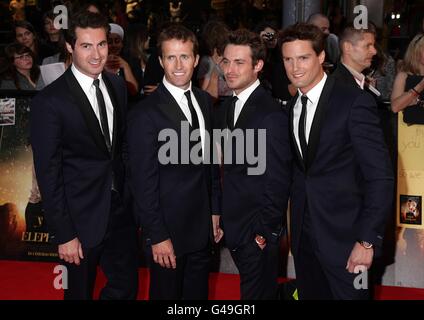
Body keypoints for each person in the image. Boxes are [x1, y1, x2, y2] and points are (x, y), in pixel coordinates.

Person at [279, 23, 394, 299]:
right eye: (288, 59)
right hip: (305, 241)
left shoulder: (353, 102)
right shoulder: (295, 104)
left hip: (347, 241)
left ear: (321, 57)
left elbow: (380, 177)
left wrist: (367, 241)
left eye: (303, 58)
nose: (295, 67)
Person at [30, 11, 138, 300]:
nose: (96, 54)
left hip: (119, 211)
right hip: (78, 219)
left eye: (101, 45)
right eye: (86, 46)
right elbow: (48, 173)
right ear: (69, 47)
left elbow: (120, 147)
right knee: (77, 294)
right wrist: (64, 233)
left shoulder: (117, 85)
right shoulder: (49, 102)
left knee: (126, 287)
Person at [127, 24, 215, 300]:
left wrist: (215, 212)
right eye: (171, 57)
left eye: (185, 57)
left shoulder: (204, 101)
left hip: (202, 229)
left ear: (196, 60)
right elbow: (143, 181)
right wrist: (157, 235)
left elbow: (209, 164)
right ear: (161, 61)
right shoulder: (145, 113)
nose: (178, 65)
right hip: (167, 232)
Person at [214, 29, 292, 300]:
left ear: (258, 65)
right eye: (226, 61)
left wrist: (264, 232)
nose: (230, 70)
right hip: (234, 227)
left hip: (256, 232)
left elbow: (278, 179)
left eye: (239, 63)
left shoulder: (271, 114)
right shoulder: (227, 108)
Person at [332, 23, 378, 97]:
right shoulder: (340, 88)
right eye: (367, 46)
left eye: (373, 45)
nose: (374, 51)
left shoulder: (359, 82)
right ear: (347, 47)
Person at [391, 33, 424, 116]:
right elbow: (395, 107)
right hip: (411, 128)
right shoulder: (403, 76)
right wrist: (419, 87)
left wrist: (412, 100)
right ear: (416, 52)